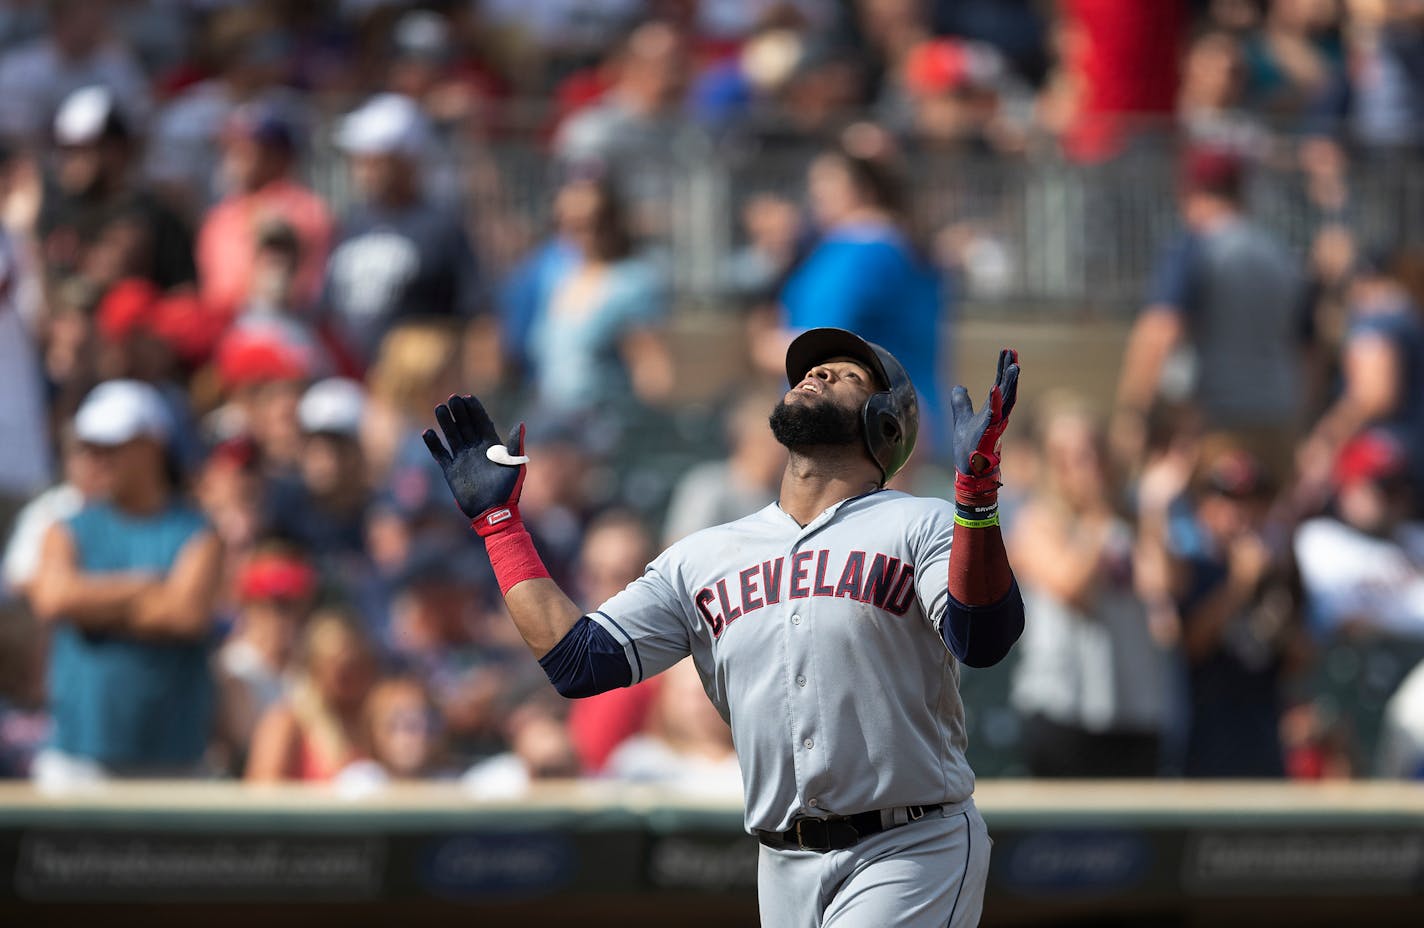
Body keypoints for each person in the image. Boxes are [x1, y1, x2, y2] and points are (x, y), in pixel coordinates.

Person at [423, 327, 1025, 926]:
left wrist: (976, 503)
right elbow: (576, 661)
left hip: (910, 844)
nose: (817, 375)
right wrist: (501, 526)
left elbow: (982, 637)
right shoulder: (704, 555)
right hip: (780, 860)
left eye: (847, 376)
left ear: (884, 425)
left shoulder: (920, 523)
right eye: (812, 371)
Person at [29, 380, 223, 784]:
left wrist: (90, 605)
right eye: (89, 447)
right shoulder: (65, 529)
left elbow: (185, 614)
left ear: (152, 447)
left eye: (110, 447)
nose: (96, 459)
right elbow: (54, 599)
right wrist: (144, 586)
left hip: (174, 763)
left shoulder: (196, 532)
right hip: (77, 758)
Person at [1111, 147, 1306, 480]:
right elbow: (1307, 349)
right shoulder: (1282, 255)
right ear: (1242, 191)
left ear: (1189, 192)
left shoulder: (1195, 245)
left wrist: (1132, 414)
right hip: (1280, 418)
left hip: (1217, 426)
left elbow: (1160, 330)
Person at [1008, 397, 1167, 777]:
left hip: (1132, 707)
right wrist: (1099, 518)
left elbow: (1163, 584)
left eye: (1093, 452)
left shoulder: (1130, 520)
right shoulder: (1036, 522)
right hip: (1065, 709)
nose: (1087, 467)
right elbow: (1071, 588)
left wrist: (1154, 510)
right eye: (1072, 457)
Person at [776, 126, 948, 460]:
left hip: (857, 428)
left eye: (827, 180)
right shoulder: (901, 242)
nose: (816, 192)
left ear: (861, 184)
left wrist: (764, 345)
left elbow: (819, 340)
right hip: (903, 419)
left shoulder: (861, 247)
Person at [324, 93, 481, 365]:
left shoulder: (440, 227)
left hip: (416, 385)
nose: (363, 171)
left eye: (375, 160)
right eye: (359, 160)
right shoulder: (353, 224)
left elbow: (473, 309)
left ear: (407, 161)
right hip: (352, 376)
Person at [245, 608, 377, 782]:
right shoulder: (287, 724)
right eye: (336, 665)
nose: (349, 675)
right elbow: (262, 793)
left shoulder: (372, 723)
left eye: (354, 663)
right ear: (314, 666)